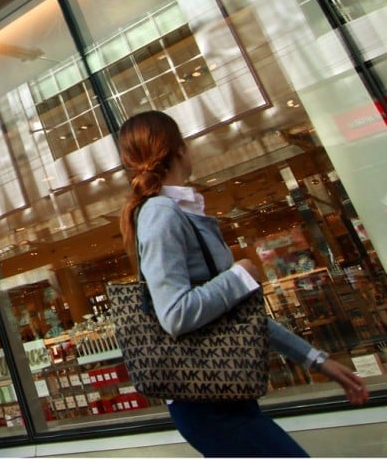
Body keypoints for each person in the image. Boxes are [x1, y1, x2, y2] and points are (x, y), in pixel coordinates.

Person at [117, 110, 369, 457]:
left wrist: (316, 359)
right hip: (206, 403)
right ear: (179, 149)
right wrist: (240, 274)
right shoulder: (161, 214)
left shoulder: (180, 212)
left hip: (222, 395)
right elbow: (174, 314)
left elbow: (238, 317)